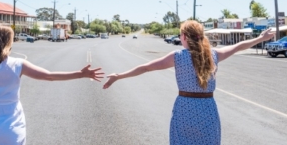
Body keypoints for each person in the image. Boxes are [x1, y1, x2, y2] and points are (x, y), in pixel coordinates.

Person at [103, 20, 275, 144]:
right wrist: (260, 38)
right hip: (207, 108)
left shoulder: (177, 57)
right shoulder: (213, 55)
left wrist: (118, 75)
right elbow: (239, 46)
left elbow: (146, 67)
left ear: (184, 36)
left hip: (185, 108)